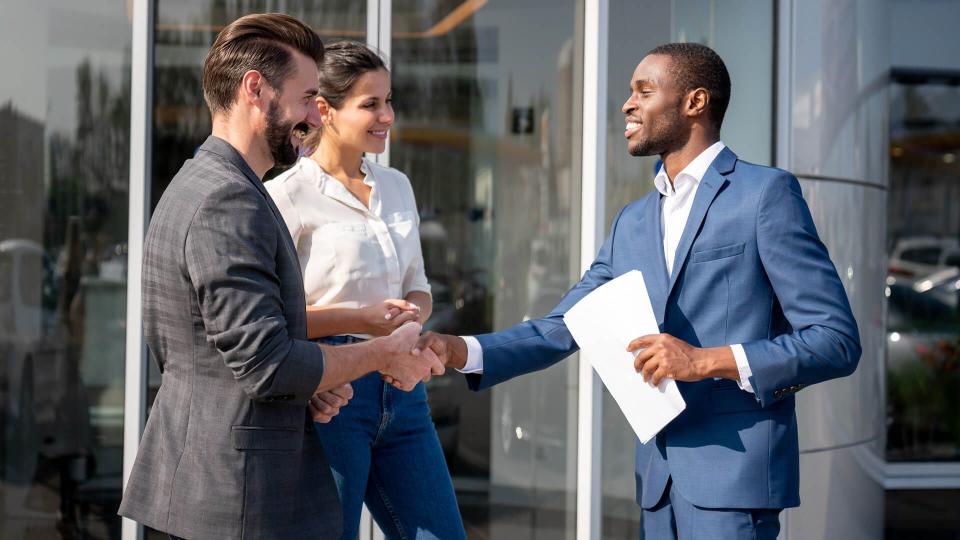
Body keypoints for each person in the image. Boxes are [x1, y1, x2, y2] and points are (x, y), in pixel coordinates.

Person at [411, 42, 861, 539]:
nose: (627, 105)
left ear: (695, 102)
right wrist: (461, 350)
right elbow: (565, 325)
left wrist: (705, 360)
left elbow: (834, 340)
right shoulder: (633, 221)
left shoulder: (764, 195)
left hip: (734, 484)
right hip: (657, 486)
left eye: (644, 91)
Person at [117, 15, 443, 539]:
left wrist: (310, 385)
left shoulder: (203, 181)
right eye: (307, 96)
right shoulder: (231, 198)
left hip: (220, 480)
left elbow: (224, 351)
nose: (313, 116)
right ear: (255, 89)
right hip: (235, 494)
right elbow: (265, 363)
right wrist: (380, 353)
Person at [265, 40, 466, 540]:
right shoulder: (285, 197)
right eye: (370, 103)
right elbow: (275, 319)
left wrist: (409, 327)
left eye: (389, 100)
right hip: (333, 392)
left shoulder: (397, 185)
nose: (387, 115)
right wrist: (362, 321)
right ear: (325, 110)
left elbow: (418, 288)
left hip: (403, 391)